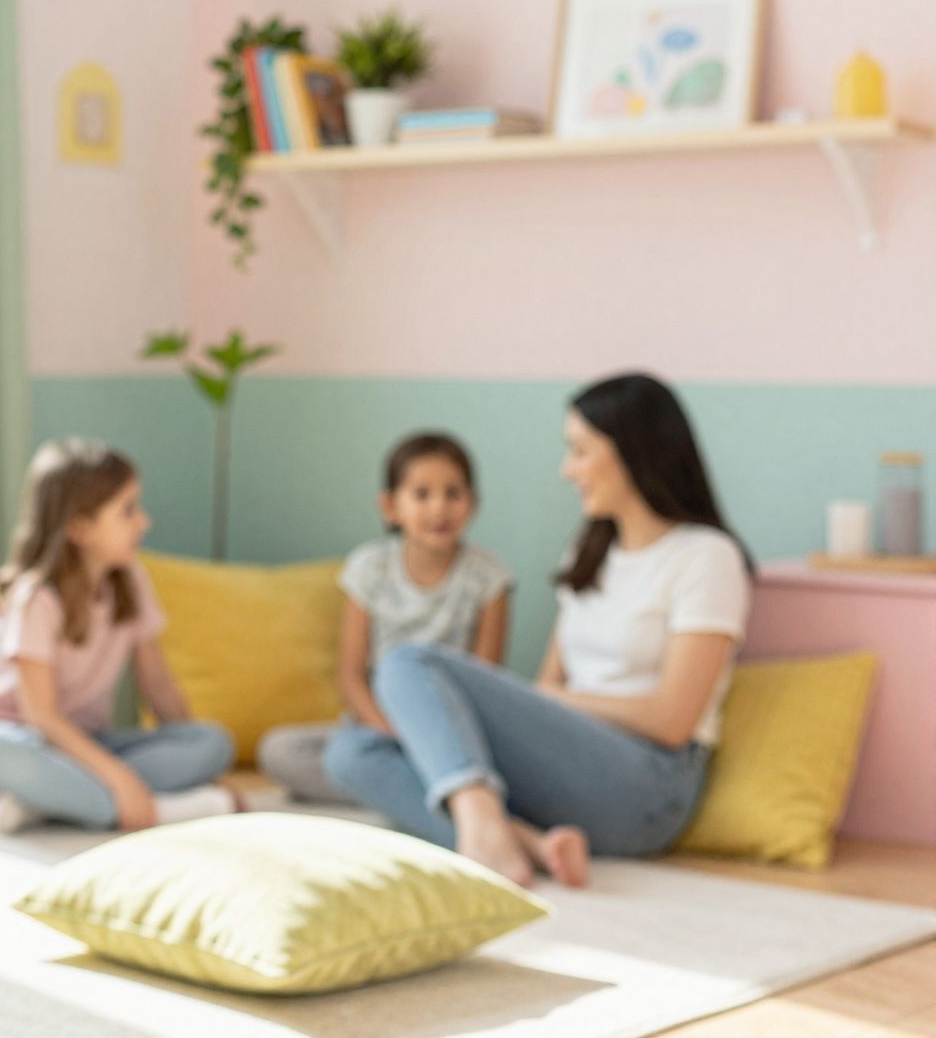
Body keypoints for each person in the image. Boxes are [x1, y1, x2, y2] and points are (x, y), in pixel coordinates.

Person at [322, 374, 751, 889]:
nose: (567, 469)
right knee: (350, 754)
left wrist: (562, 699)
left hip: (647, 787)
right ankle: (522, 841)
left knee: (409, 661)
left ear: (633, 452)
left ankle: (482, 828)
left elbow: (672, 720)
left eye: (579, 451)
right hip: (568, 768)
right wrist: (551, 697)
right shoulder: (590, 552)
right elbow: (548, 683)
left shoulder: (706, 557)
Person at [0, 439, 239, 834]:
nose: (144, 522)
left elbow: (159, 687)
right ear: (80, 527)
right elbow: (43, 719)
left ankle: (47, 804)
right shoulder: (35, 599)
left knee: (212, 743)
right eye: (128, 511)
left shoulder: (130, 580)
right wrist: (119, 778)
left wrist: (202, 773)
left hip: (89, 745)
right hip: (27, 743)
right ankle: (156, 810)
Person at [259, 432, 513, 804]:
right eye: (422, 494)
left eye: (453, 493)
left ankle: (411, 790)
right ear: (391, 506)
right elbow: (350, 677)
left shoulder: (489, 577)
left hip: (454, 734)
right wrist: (392, 731)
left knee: (479, 761)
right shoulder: (369, 568)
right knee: (280, 751)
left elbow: (485, 679)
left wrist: (432, 741)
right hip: (378, 730)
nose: (439, 508)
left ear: (472, 503)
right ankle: (415, 791)